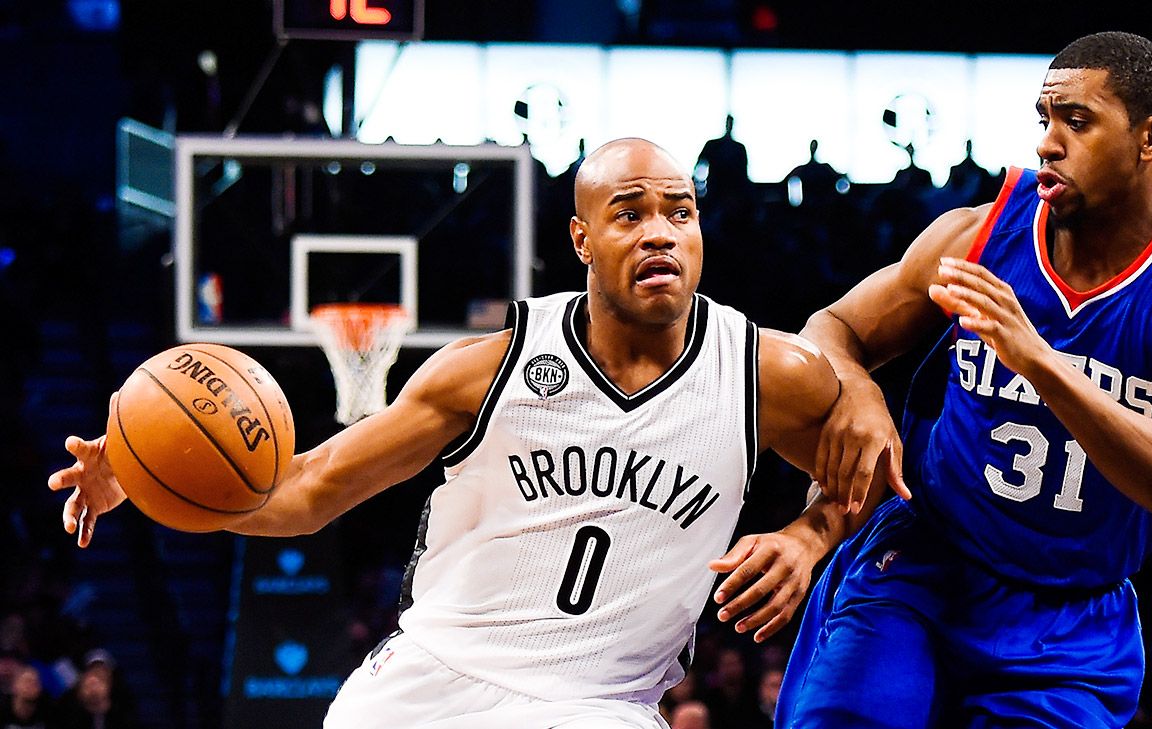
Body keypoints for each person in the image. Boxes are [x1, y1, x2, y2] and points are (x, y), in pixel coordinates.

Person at [49, 138, 868, 729]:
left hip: (599, 705)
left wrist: (808, 532)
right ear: (581, 239)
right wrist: (142, 477)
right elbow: (303, 490)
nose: (660, 231)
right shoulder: (489, 367)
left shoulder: (765, 373)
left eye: (679, 212)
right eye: (629, 214)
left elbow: (875, 465)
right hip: (431, 682)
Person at [778, 31, 1152, 728]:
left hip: (1069, 620)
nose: (1047, 142)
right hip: (926, 564)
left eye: (1076, 120)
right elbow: (834, 327)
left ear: (1151, 136)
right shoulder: (977, 234)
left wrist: (1039, 358)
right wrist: (863, 399)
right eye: (1044, 119)